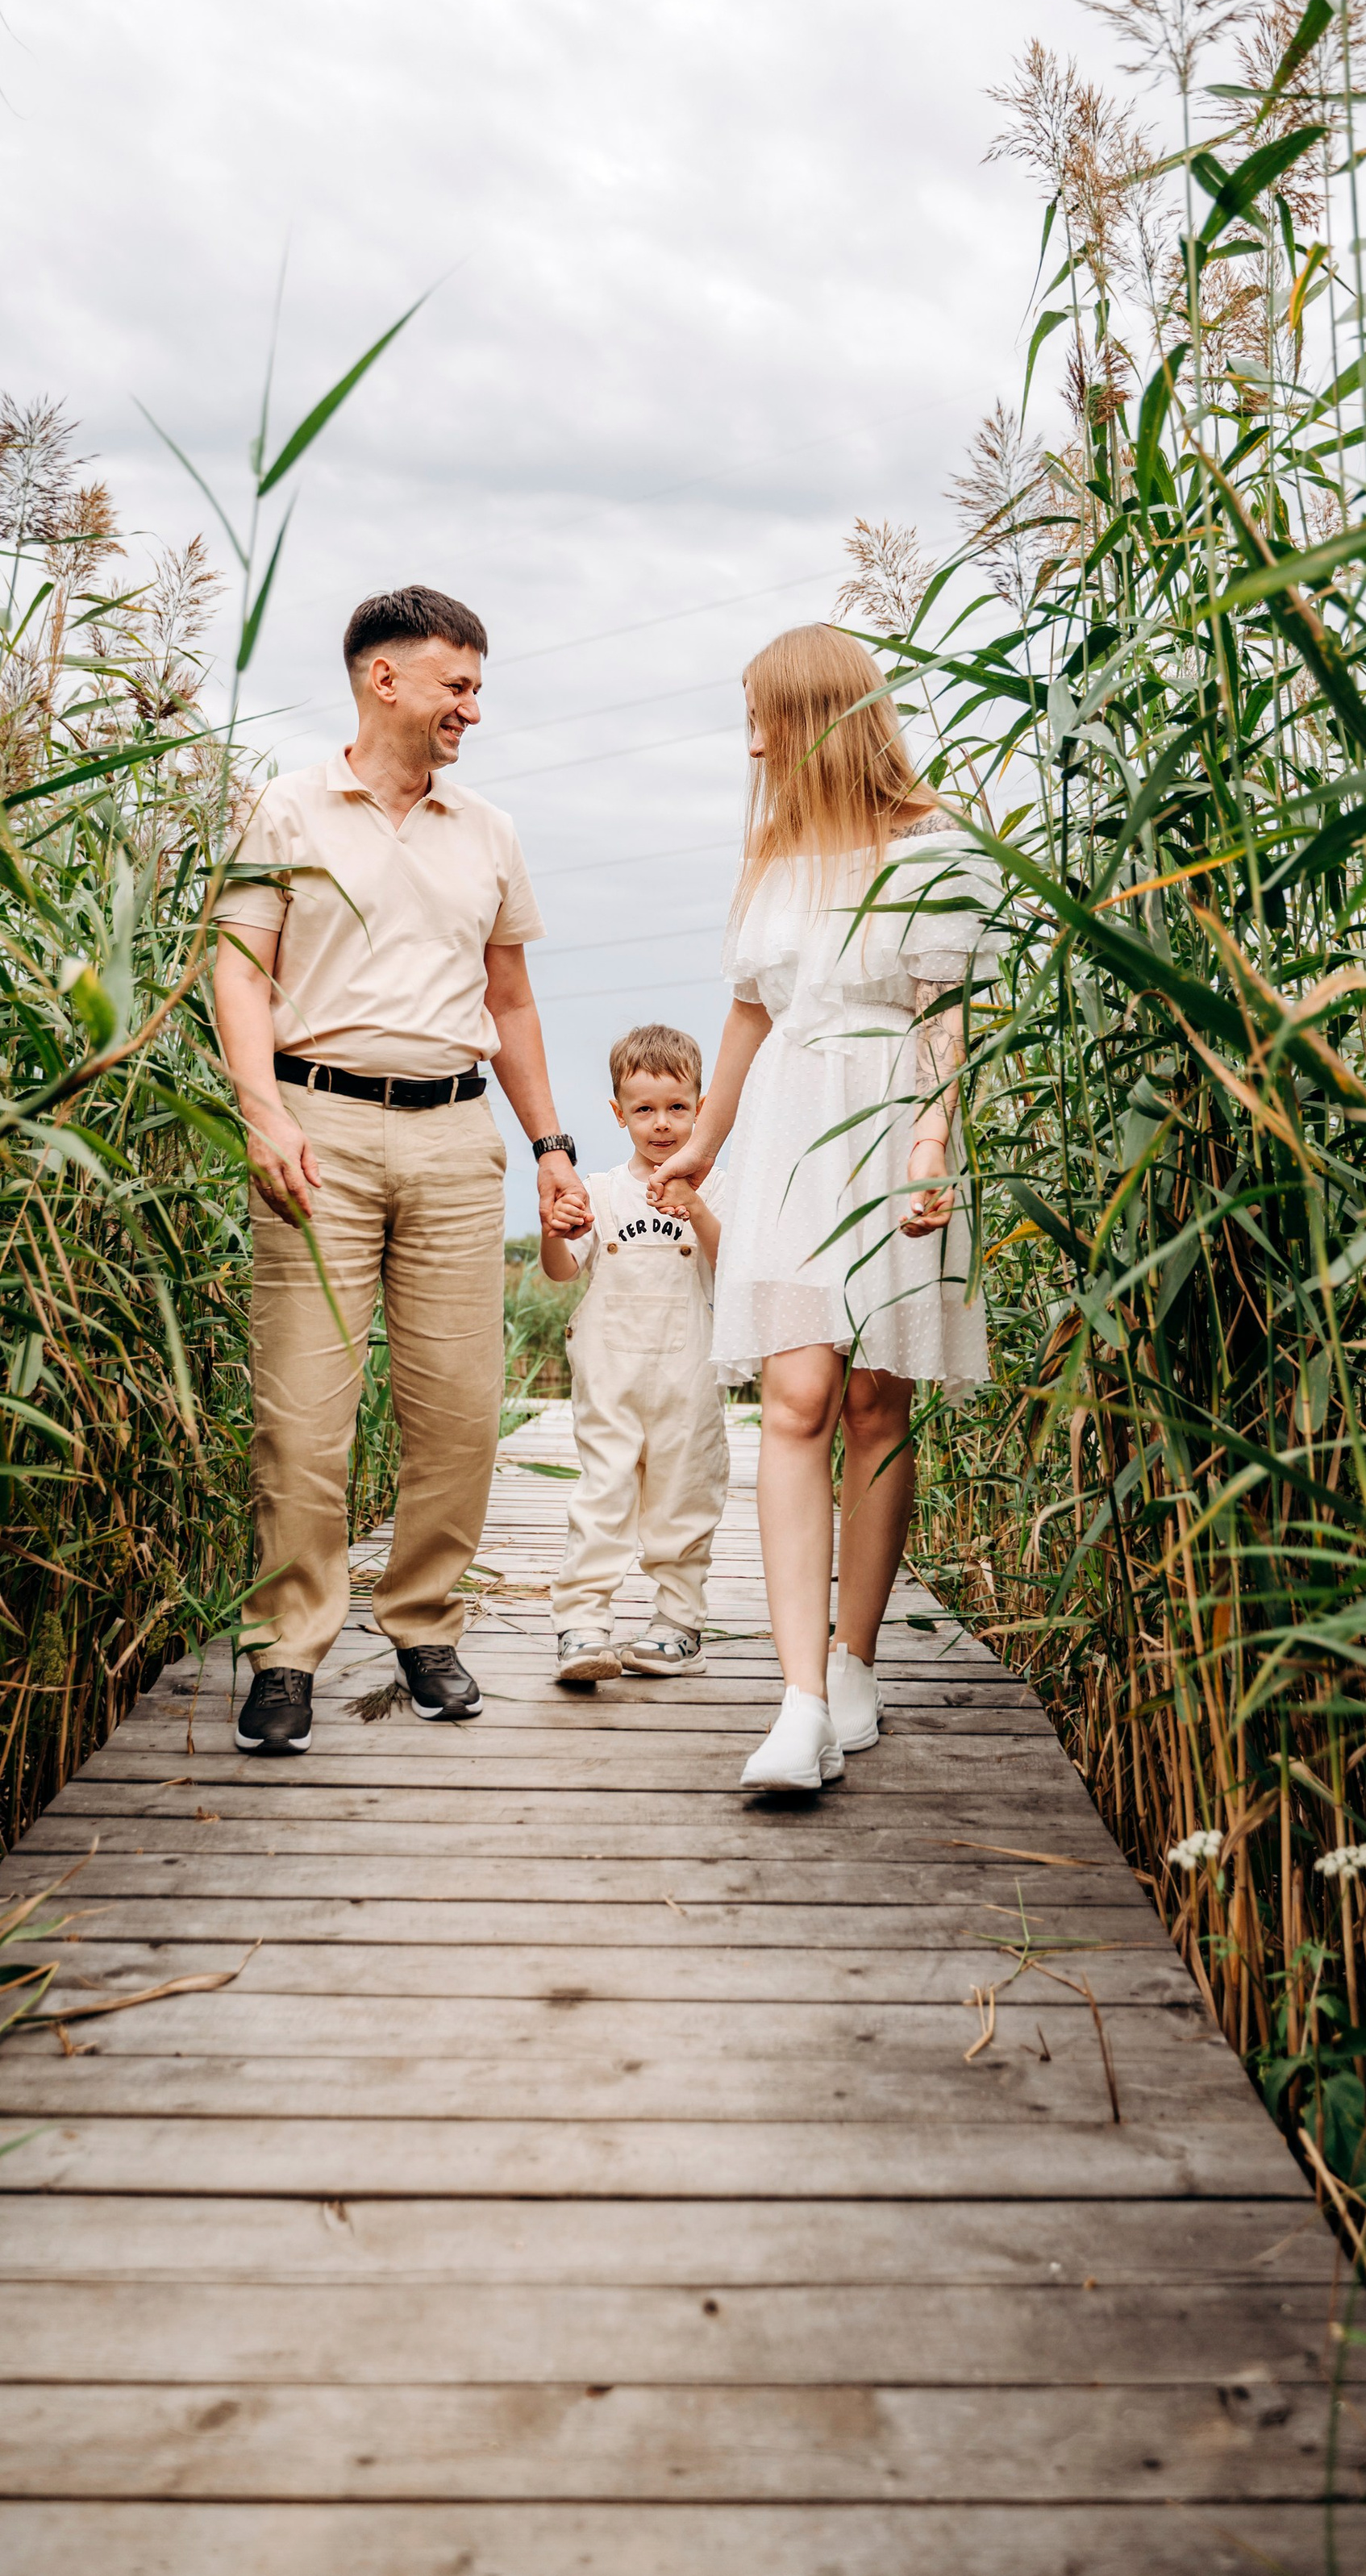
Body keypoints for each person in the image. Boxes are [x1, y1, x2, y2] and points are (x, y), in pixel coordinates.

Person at [212, 584, 589, 1757]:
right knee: (304, 1416)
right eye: (457, 685)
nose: (473, 708)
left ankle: (424, 1625)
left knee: (460, 1410)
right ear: (386, 680)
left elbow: (513, 1000)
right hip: (317, 1128)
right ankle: (288, 1651)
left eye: (477, 688)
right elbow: (235, 969)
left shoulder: (488, 830)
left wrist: (551, 1147)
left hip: (452, 1134)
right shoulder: (285, 809)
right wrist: (261, 1112)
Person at [652, 625, 996, 1793]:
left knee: (874, 1394)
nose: (751, 740)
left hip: (894, 1114)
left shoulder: (934, 844)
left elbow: (948, 1006)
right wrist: (703, 1144)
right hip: (799, 1126)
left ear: (819, 718)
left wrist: (935, 1134)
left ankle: (857, 1659)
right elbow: (751, 1013)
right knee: (797, 1393)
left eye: (765, 716)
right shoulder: (772, 851)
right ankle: (797, 1701)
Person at [539, 1025, 730, 1687]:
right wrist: (553, 1228)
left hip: (690, 1382)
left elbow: (729, 1269)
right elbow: (564, 1273)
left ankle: (678, 1625)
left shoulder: (719, 1193)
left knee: (684, 1500)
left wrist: (697, 1209)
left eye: (677, 1107)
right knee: (603, 1497)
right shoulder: (598, 1190)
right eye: (644, 1109)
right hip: (611, 1378)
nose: (662, 1124)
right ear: (618, 1114)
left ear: (701, 1109)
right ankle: (583, 1622)